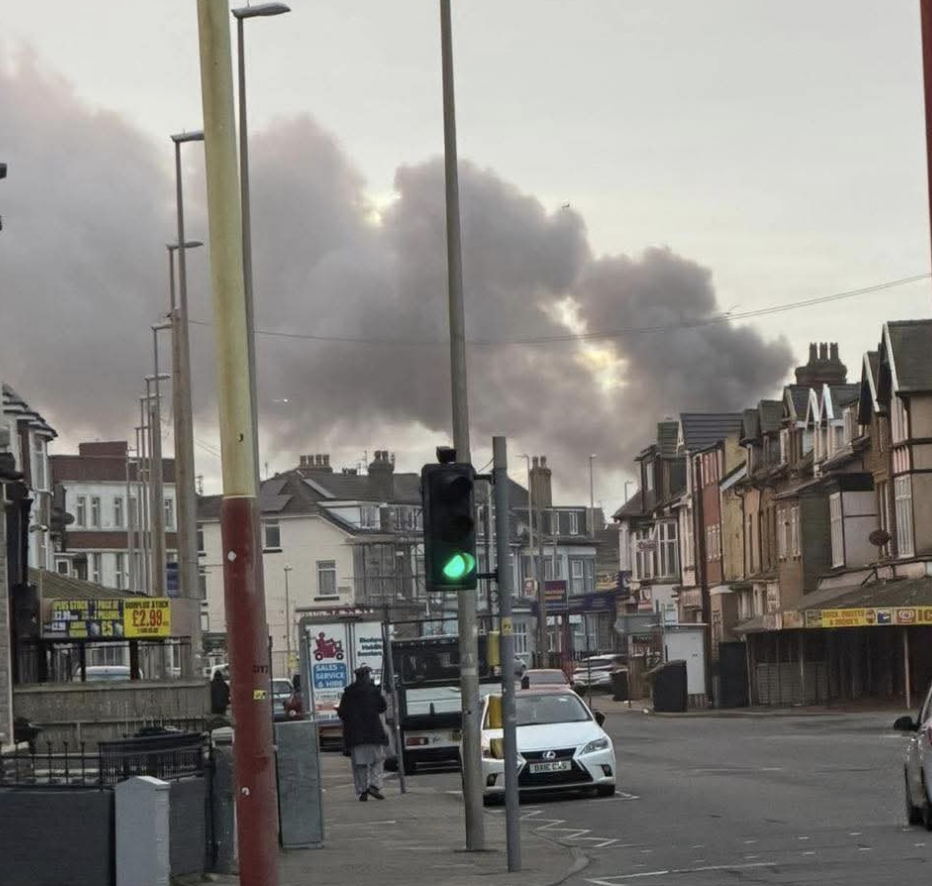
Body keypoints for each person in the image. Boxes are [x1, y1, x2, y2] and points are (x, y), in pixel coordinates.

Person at [337, 664, 388, 801]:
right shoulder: (374, 691)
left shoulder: (348, 693)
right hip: (374, 733)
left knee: (359, 765)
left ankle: (363, 790)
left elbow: (342, 713)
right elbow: (382, 707)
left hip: (355, 735)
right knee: (378, 760)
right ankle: (374, 785)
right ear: (367, 676)